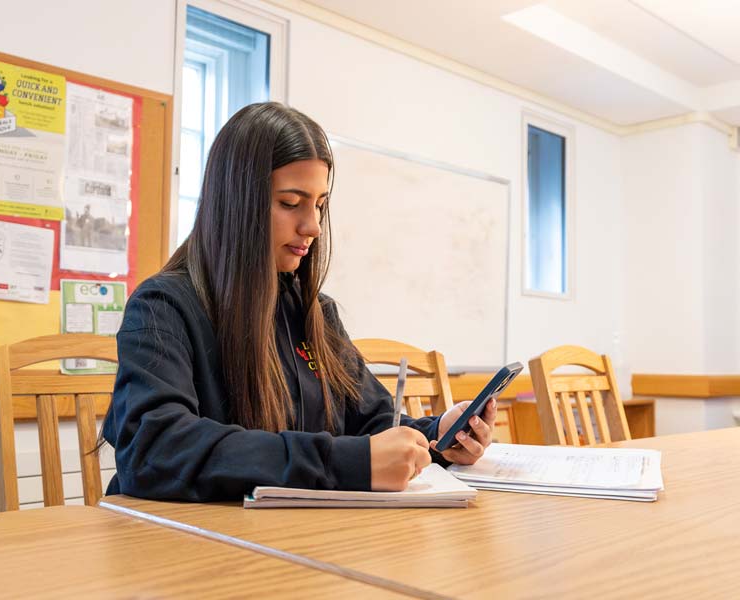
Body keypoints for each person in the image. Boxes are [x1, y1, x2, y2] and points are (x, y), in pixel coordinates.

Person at [102, 102, 496, 501]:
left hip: (295, 537)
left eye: (320, 205)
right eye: (291, 203)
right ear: (234, 202)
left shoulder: (314, 312)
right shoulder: (162, 307)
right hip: (189, 544)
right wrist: (346, 463)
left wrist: (436, 437)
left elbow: (371, 421)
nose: (312, 227)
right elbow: (156, 450)